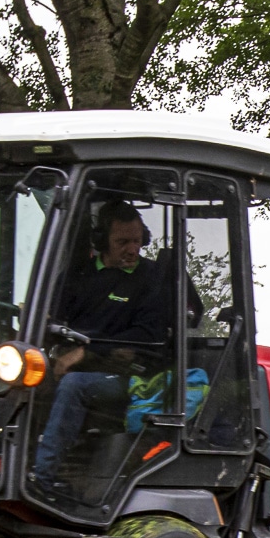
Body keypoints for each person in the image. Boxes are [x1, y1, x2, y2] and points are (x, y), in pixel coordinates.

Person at [31, 201, 199, 491]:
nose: (132, 249)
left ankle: (41, 479)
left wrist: (86, 352)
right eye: (122, 242)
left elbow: (146, 337)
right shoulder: (77, 276)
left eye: (136, 241)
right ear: (101, 242)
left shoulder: (153, 280)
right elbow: (52, 318)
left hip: (131, 377)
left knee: (74, 385)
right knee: (4, 372)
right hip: (77, 364)